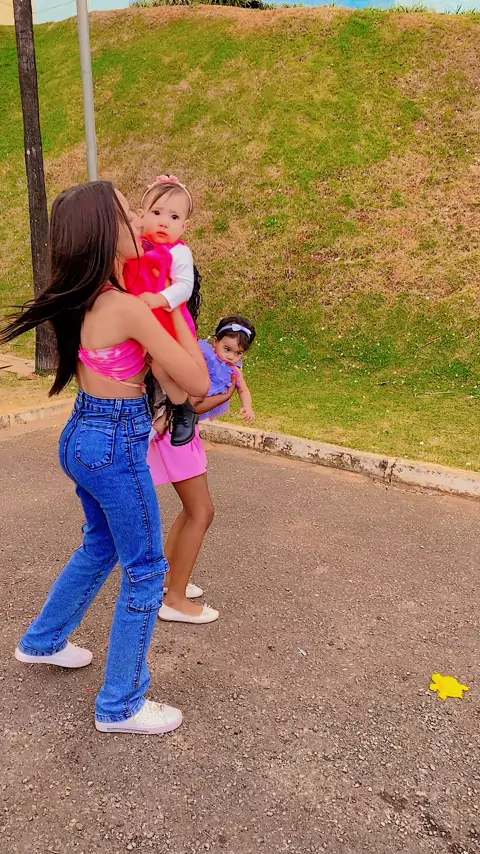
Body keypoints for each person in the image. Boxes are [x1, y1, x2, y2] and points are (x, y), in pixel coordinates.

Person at [0, 181, 209, 736]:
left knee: (100, 545)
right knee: (147, 571)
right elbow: (195, 383)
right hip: (114, 443)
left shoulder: (88, 297)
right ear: (102, 234)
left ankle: (43, 640)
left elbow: (167, 383)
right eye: (127, 215)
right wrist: (177, 307)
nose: (141, 221)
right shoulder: (127, 306)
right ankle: (121, 705)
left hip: (83, 435)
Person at [124, 175, 200, 445]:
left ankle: (182, 408)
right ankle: (143, 414)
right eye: (156, 213)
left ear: (185, 226)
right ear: (141, 215)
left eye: (174, 217)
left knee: (161, 365)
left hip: (166, 321)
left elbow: (185, 287)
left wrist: (160, 299)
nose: (163, 222)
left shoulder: (179, 252)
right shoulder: (133, 244)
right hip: (137, 320)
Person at [196, 316, 256, 424]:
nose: (231, 357)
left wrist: (247, 407)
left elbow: (243, 390)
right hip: (188, 397)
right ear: (216, 342)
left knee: (190, 424)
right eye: (227, 349)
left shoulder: (235, 371)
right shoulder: (205, 357)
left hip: (206, 405)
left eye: (238, 353)